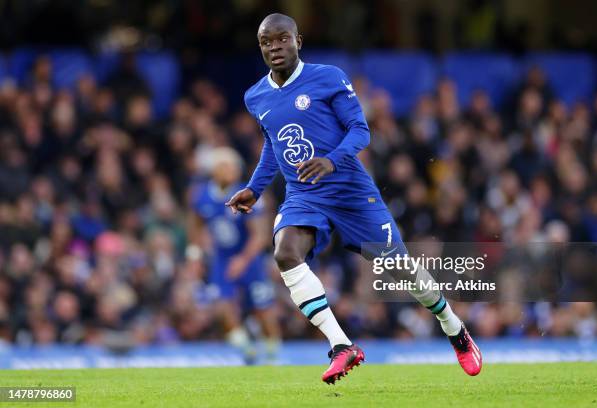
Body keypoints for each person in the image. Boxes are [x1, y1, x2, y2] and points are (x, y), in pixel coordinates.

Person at [226, 13, 482, 383]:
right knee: (284, 252)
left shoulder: (328, 77)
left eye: (283, 39)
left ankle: (453, 327)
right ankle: (341, 345)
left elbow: (360, 131)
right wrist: (255, 186)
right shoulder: (256, 96)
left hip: (350, 191)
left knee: (402, 271)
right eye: (267, 41)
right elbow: (273, 143)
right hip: (304, 194)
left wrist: (331, 161)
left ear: (298, 41)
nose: (275, 47)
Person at [189, 147, 281, 363]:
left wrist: (243, 260)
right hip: (222, 258)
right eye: (226, 166)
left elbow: (259, 235)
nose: (232, 170)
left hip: (249, 258)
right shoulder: (200, 195)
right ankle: (246, 348)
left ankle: (272, 353)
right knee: (221, 307)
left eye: (234, 166)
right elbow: (195, 227)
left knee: (263, 309)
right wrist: (194, 256)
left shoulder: (246, 194)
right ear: (214, 170)